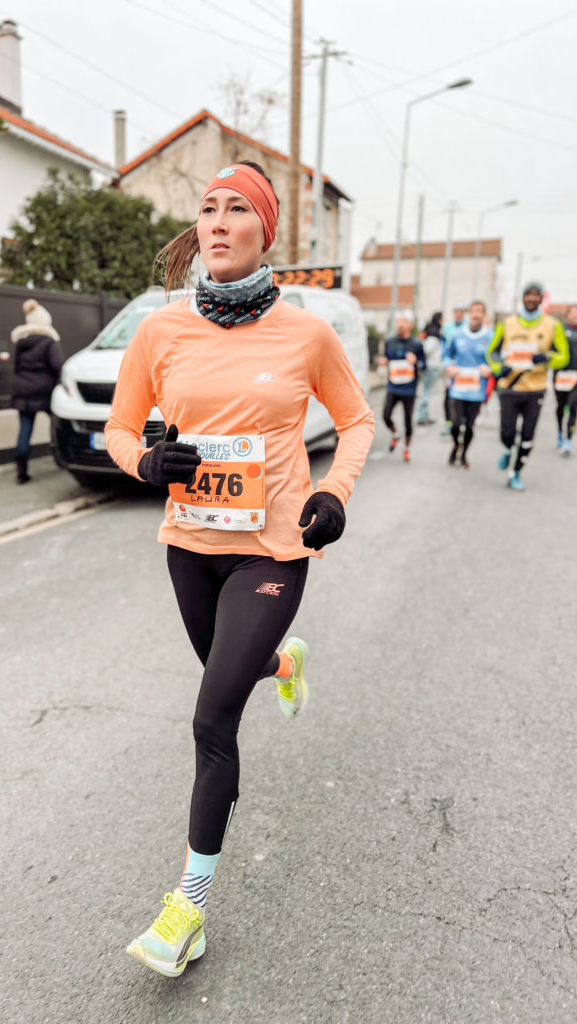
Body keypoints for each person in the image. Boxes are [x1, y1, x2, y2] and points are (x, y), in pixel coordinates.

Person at [105, 161, 374, 978]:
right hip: (190, 544)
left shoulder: (306, 333)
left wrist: (333, 492)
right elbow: (120, 429)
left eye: (237, 210)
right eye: (208, 209)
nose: (218, 221)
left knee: (212, 721)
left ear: (264, 231)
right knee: (231, 669)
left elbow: (356, 420)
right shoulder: (161, 330)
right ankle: (282, 664)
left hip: (273, 548)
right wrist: (146, 464)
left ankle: (186, 910)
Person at [486, 282, 569, 491]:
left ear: (541, 299)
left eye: (536, 295)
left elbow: (564, 357)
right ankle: (508, 449)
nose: (531, 298)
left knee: (528, 435)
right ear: (523, 297)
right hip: (510, 387)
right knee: (507, 433)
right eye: (528, 294)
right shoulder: (507, 323)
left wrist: (546, 357)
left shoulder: (553, 325)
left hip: (535, 389)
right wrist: (499, 368)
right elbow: (491, 352)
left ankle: (515, 472)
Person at [10, 299, 64, 483]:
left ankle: (21, 472)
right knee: (57, 426)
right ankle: (62, 459)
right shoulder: (49, 342)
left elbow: (16, 368)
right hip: (45, 391)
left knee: (25, 430)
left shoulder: (21, 343)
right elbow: (58, 366)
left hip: (23, 391)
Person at [443, 300, 493, 468]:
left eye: (480, 311)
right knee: (456, 424)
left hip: (477, 390)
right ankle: (456, 445)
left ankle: (464, 453)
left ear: (484, 315)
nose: (476, 314)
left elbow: (497, 358)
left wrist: (491, 368)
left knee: (469, 427)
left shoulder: (490, 336)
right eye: (473, 311)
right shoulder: (457, 335)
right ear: (469, 313)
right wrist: (449, 367)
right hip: (458, 388)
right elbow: (447, 355)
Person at [379, 310, 426, 462]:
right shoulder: (389, 342)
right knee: (385, 415)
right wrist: (383, 361)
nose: (400, 325)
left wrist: (416, 362)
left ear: (410, 325)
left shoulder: (417, 344)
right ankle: (395, 434)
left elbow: (424, 365)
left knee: (407, 421)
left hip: (409, 389)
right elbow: (386, 357)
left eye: (404, 322)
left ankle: (407, 448)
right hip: (393, 386)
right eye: (398, 322)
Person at [554, 303, 577, 455]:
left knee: (574, 406)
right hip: (561, 375)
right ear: (567, 315)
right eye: (572, 313)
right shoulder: (560, 330)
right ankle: (559, 431)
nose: (575, 315)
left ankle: (568, 439)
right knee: (561, 406)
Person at [440, 305, 467, 433]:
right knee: (448, 394)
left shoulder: (467, 326)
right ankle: (448, 422)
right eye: (456, 311)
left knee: (463, 395)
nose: (458, 314)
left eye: (460, 312)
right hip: (451, 367)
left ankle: (463, 420)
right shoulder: (446, 327)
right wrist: (446, 364)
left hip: (464, 368)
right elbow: (443, 347)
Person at [416, 310, 444, 425]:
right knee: (426, 392)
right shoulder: (433, 335)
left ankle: (424, 415)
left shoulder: (429, 332)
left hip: (430, 366)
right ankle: (422, 417)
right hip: (431, 367)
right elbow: (426, 350)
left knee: (426, 392)